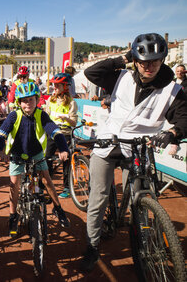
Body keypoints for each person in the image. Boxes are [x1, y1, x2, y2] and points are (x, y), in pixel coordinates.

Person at [80, 33, 187, 272]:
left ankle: (141, 234)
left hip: (137, 146)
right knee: (98, 196)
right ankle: (92, 246)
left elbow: (183, 118)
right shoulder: (121, 76)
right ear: (136, 60)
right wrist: (124, 58)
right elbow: (92, 73)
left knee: (142, 194)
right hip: (109, 141)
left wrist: (174, 133)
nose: (149, 66)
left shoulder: (173, 90)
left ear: (163, 60)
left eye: (155, 61)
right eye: (144, 61)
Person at [0, 82, 71, 238]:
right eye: (24, 100)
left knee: (47, 180)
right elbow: (1, 134)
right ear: (19, 102)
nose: (27, 103)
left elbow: (55, 131)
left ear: (37, 100)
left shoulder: (41, 115)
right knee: (14, 185)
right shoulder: (14, 115)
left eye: (31, 100)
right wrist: (0, 150)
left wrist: (63, 148)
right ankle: (13, 216)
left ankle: (58, 208)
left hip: (36, 154)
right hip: (16, 155)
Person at [45, 73, 78, 198]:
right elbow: (46, 116)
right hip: (52, 133)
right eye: (54, 85)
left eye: (57, 85)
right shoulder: (50, 100)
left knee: (66, 160)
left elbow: (74, 122)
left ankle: (67, 188)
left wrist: (66, 118)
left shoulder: (71, 102)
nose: (55, 87)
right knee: (46, 157)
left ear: (65, 86)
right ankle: (47, 185)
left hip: (65, 133)